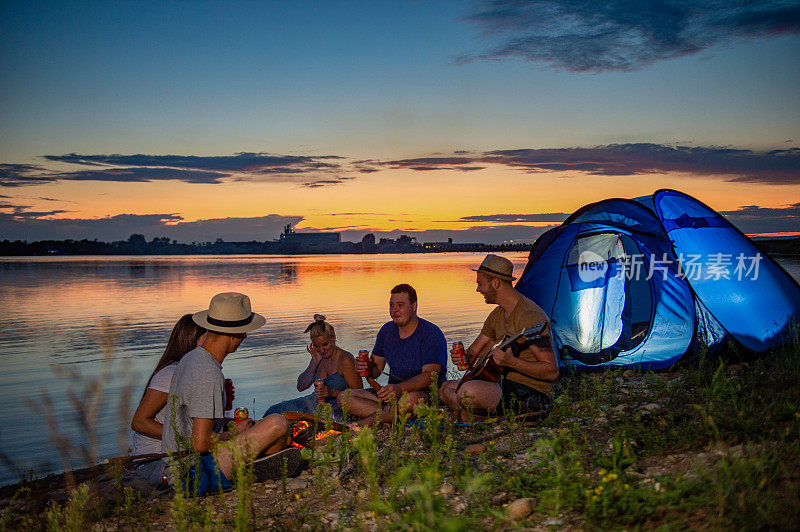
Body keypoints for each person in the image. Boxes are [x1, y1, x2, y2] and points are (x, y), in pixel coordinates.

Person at [162, 292, 297, 495]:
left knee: (276, 434)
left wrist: (233, 427)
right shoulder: (207, 371)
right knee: (277, 423)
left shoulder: (191, 358)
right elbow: (200, 444)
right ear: (234, 334)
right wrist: (234, 433)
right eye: (243, 332)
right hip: (193, 473)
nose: (244, 337)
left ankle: (253, 465)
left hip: (181, 465)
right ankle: (248, 469)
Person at [439, 254, 559, 420]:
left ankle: (472, 413)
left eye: (480, 284)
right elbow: (474, 351)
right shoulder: (497, 315)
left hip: (528, 390)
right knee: (445, 388)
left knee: (467, 392)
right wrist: (465, 358)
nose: (477, 289)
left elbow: (552, 371)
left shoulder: (531, 316)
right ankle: (473, 413)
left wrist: (513, 363)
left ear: (496, 283)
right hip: (498, 382)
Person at [339, 283, 446, 426]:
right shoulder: (386, 331)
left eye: (400, 305)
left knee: (411, 400)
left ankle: (366, 423)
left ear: (414, 306)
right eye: (391, 305)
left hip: (423, 394)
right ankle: (390, 414)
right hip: (391, 395)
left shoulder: (431, 333)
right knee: (344, 397)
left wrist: (400, 388)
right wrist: (366, 367)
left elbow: (430, 377)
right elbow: (376, 371)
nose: (394, 310)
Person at [129, 314, 206, 487]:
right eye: (210, 336)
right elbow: (139, 422)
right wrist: (190, 438)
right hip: (155, 463)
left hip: (179, 455)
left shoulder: (192, 372)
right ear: (197, 341)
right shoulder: (170, 374)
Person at [263, 314, 363, 421]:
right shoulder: (318, 357)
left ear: (333, 338)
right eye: (317, 346)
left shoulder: (345, 360)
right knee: (273, 411)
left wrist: (332, 392)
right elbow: (301, 387)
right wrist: (314, 362)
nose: (322, 350)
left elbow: (361, 394)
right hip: (310, 402)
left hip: (335, 408)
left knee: (318, 421)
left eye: (325, 344)